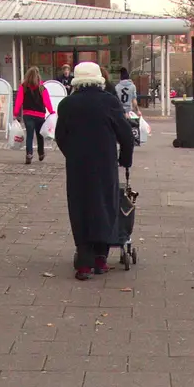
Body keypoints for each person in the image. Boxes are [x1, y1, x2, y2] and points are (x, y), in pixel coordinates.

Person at [54, 60, 134, 280]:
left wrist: (71, 154)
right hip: (105, 163)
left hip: (78, 165)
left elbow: (60, 135)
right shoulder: (109, 102)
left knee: (80, 207)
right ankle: (100, 258)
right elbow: (125, 134)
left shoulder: (68, 104)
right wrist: (124, 159)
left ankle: (84, 262)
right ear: (99, 78)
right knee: (104, 205)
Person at [13, 66, 54, 164]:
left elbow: (19, 101)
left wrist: (15, 114)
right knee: (40, 135)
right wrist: (52, 111)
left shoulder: (23, 87)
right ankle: (41, 153)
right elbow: (47, 101)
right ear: (38, 76)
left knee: (30, 135)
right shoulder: (42, 88)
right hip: (40, 115)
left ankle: (29, 154)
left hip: (28, 115)